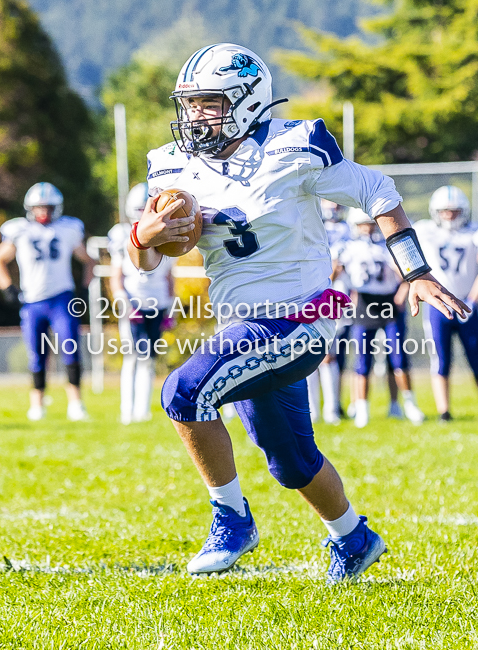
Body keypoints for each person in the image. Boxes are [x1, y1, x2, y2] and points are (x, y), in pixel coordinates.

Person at [127, 43, 468, 582]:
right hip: (244, 327)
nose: (195, 116)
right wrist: (141, 236)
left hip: (307, 314)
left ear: (246, 101)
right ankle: (353, 539)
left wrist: (415, 271)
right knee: (291, 460)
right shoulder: (173, 165)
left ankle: (231, 520)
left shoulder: (295, 146)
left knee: (183, 392)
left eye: (209, 103)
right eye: (190, 104)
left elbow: (378, 191)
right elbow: (147, 260)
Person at [0, 182, 93, 421]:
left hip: (62, 298)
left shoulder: (69, 228)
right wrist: (8, 289)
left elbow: (88, 260)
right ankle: (37, 405)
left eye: (47, 207)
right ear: (29, 208)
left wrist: (84, 288)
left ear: (57, 208)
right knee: (36, 354)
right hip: (33, 301)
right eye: (38, 207)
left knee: (71, 349)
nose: (43, 212)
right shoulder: (19, 229)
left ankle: (76, 404)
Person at [333, 208, 425, 428]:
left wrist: (403, 288)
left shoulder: (386, 246)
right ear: (355, 226)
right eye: (363, 224)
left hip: (389, 302)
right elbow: (334, 275)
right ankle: (362, 407)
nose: (368, 228)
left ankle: (405, 403)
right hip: (364, 303)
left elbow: (405, 272)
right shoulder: (347, 247)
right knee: (362, 360)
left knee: (398, 357)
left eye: (371, 224)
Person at [108, 183, 175, 424]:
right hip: (134, 304)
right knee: (133, 356)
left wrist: (171, 308)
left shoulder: (167, 240)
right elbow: (116, 278)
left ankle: (142, 410)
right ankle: (127, 410)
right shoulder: (122, 235)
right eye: (138, 209)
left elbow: (169, 278)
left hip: (157, 304)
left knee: (149, 359)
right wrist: (125, 304)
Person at [415, 186, 478, 420]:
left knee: (476, 356)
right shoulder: (424, 230)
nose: (449, 215)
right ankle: (444, 411)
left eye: (454, 211)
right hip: (437, 306)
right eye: (445, 211)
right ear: (435, 211)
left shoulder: (473, 232)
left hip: (469, 304)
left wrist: (472, 298)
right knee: (440, 359)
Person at [307, 200, 352, 425]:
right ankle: (314, 410)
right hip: (311, 295)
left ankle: (332, 409)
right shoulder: (312, 227)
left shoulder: (346, 231)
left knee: (329, 355)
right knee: (308, 356)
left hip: (334, 298)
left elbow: (339, 267)